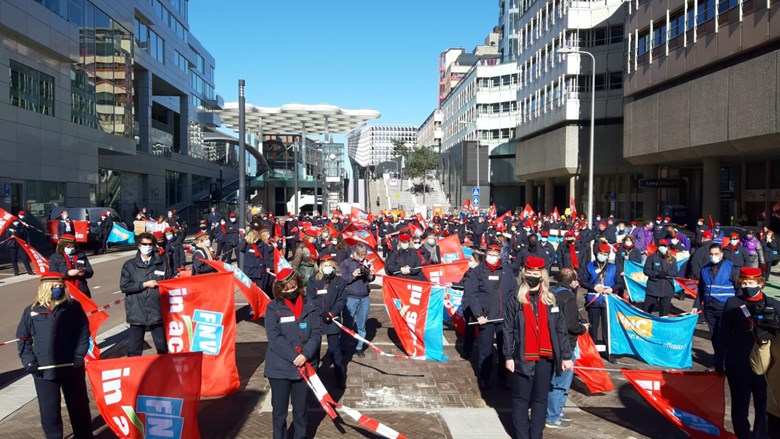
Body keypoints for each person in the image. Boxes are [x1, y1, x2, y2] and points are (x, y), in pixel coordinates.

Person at [16, 272, 93, 439]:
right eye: (54, 286)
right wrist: (29, 362)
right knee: (49, 411)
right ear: (44, 287)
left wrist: (79, 356)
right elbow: (23, 338)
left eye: (60, 286)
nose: (57, 289)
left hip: (71, 366)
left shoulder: (73, 307)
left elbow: (83, 333)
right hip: (44, 370)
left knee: (79, 407)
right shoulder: (31, 311)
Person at [503, 256, 573, 439]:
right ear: (524, 273)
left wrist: (566, 356)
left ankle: (536, 436)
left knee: (540, 400)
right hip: (522, 355)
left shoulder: (551, 299)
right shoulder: (514, 298)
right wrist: (508, 356)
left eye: (536, 274)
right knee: (521, 399)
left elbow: (560, 329)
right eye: (529, 273)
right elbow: (508, 329)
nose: (532, 276)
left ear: (542, 275)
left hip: (546, 357)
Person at [717, 267, 778, 439]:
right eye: (743, 283)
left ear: (760, 283)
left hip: (765, 365)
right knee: (739, 406)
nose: (747, 286)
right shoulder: (733, 304)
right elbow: (723, 334)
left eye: (750, 283)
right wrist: (719, 360)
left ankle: (760, 434)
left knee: (764, 405)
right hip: (738, 363)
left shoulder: (773, 305)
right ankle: (742, 435)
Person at [264, 268, 322, 439]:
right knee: (279, 413)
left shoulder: (310, 304)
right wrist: (293, 356)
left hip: (303, 368)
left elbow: (316, 333)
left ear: (298, 284)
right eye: (286, 289)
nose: (290, 291)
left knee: (301, 411)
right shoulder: (273, 307)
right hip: (280, 368)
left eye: (293, 287)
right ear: (279, 290)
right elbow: (274, 337)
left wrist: (305, 354)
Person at [464, 244, 518, 389]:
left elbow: (514, 291)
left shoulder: (507, 271)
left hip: (504, 318)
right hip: (486, 318)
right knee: (485, 350)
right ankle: (484, 378)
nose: (492, 256)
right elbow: (472, 294)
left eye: (495, 254)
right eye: (490, 254)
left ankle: (503, 378)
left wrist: (513, 311)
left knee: (504, 349)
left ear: (500, 255)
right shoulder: (478, 271)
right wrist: (478, 314)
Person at [547, 268, 589, 429]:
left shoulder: (552, 292)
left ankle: (555, 410)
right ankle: (553, 416)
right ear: (572, 281)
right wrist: (583, 328)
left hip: (552, 341)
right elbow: (571, 325)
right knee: (561, 381)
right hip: (566, 344)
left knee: (554, 379)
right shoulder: (568, 297)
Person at [119, 232, 174, 356]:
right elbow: (124, 286)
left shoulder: (162, 263)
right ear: (139, 245)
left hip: (157, 310)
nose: (147, 247)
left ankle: (164, 371)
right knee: (134, 348)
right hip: (137, 311)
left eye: (150, 244)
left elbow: (170, 283)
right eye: (144, 244)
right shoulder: (130, 265)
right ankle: (135, 372)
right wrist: (143, 284)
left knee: (162, 347)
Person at [693, 243, 738, 367]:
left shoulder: (731, 268)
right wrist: (697, 305)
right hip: (709, 307)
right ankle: (718, 360)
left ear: (722, 254)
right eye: (711, 254)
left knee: (723, 336)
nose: (714, 256)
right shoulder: (705, 269)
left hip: (725, 307)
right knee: (714, 336)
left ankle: (724, 361)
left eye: (716, 254)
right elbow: (701, 289)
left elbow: (738, 289)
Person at [306, 254, 347, 388]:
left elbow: (342, 300)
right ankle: (314, 380)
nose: (328, 268)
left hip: (332, 319)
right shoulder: (313, 280)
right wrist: (322, 313)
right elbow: (310, 299)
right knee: (314, 350)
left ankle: (340, 379)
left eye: (330, 265)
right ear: (320, 267)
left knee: (335, 350)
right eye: (325, 265)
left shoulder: (339, 281)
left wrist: (332, 312)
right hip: (317, 319)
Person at [339, 243, 374, 358]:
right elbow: (342, 280)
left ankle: (359, 347)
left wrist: (371, 274)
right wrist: (353, 275)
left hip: (364, 296)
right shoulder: (346, 263)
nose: (363, 257)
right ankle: (343, 346)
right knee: (347, 323)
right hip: (350, 297)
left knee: (362, 324)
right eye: (361, 254)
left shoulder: (366, 262)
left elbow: (371, 279)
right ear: (355, 253)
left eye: (364, 254)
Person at [581, 243, 617, 345]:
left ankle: (608, 350)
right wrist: (593, 287)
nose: (603, 255)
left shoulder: (613, 267)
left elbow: (620, 283)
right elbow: (583, 281)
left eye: (605, 254)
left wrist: (612, 289)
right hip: (594, 300)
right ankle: (593, 348)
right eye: (601, 253)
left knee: (608, 326)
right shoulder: (589, 266)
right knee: (593, 326)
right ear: (597, 254)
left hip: (608, 300)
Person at [642, 239, 678, 317]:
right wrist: (657, 274)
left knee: (664, 313)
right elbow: (646, 270)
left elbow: (675, 273)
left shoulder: (672, 259)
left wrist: (666, 273)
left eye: (664, 246)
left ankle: (662, 327)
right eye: (661, 246)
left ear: (667, 247)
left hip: (667, 289)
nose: (662, 247)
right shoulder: (652, 257)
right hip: (653, 287)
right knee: (646, 311)